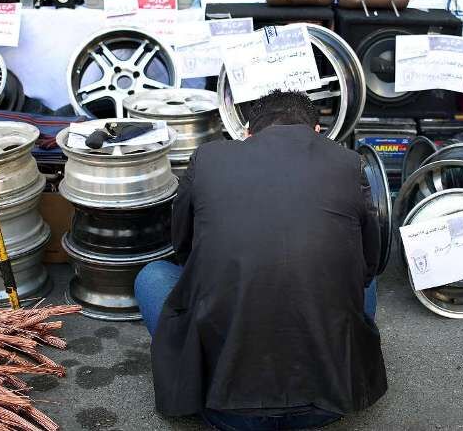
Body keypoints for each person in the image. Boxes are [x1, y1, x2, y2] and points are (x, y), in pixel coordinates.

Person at [135, 90, 387, 430]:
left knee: (152, 275)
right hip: (331, 400)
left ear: (248, 134)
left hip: (226, 409)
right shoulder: (347, 162)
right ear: (317, 132)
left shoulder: (208, 158)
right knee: (360, 280)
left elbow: (183, 247)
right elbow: (370, 262)